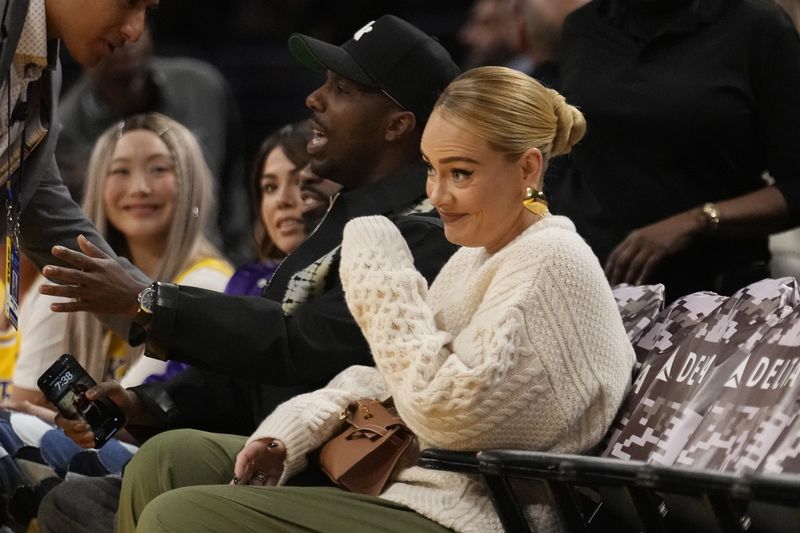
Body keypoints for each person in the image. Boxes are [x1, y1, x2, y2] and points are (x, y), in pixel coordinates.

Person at [114, 65, 636, 533]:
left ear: (527, 170)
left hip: (469, 514)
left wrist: (373, 256)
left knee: (177, 515)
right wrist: (288, 437)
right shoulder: (482, 253)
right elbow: (380, 377)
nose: (436, 194)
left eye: (460, 173)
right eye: (431, 168)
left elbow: (446, 410)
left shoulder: (551, 262)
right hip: (407, 480)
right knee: (165, 458)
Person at [36, 15, 460, 532]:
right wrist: (145, 404)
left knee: (161, 503)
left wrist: (151, 301)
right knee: (77, 499)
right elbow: (259, 373)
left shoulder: (426, 231)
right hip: (280, 451)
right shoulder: (350, 215)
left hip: (352, 473)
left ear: (397, 125)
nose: (314, 99)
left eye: (342, 89)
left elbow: (302, 349)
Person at [0, 113, 233, 528]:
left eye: (159, 169)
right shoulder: (79, 269)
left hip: (151, 461)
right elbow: (25, 393)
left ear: (193, 182)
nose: (139, 188)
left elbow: (121, 420)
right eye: (119, 171)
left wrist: (42, 416)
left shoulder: (209, 281)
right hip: (76, 447)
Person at [553, 0, 800, 302]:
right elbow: (565, 155)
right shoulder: (583, 26)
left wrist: (698, 220)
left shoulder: (757, 26)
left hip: (712, 295)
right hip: (590, 284)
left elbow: (796, 186)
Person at [0, 0, 157, 339]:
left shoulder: (41, 71)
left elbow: (50, 219)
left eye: (149, 9)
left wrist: (160, 314)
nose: (136, 30)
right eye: (129, 4)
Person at [55, 26, 251, 264]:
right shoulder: (61, 129)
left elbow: (234, 184)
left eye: (136, 18)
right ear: (75, 43)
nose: (125, 38)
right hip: (120, 274)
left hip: (213, 261)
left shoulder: (202, 89)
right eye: (107, 29)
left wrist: (240, 264)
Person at [225, 121, 339, 297]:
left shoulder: (362, 280)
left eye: (300, 181)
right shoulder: (245, 286)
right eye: (270, 187)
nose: (282, 201)